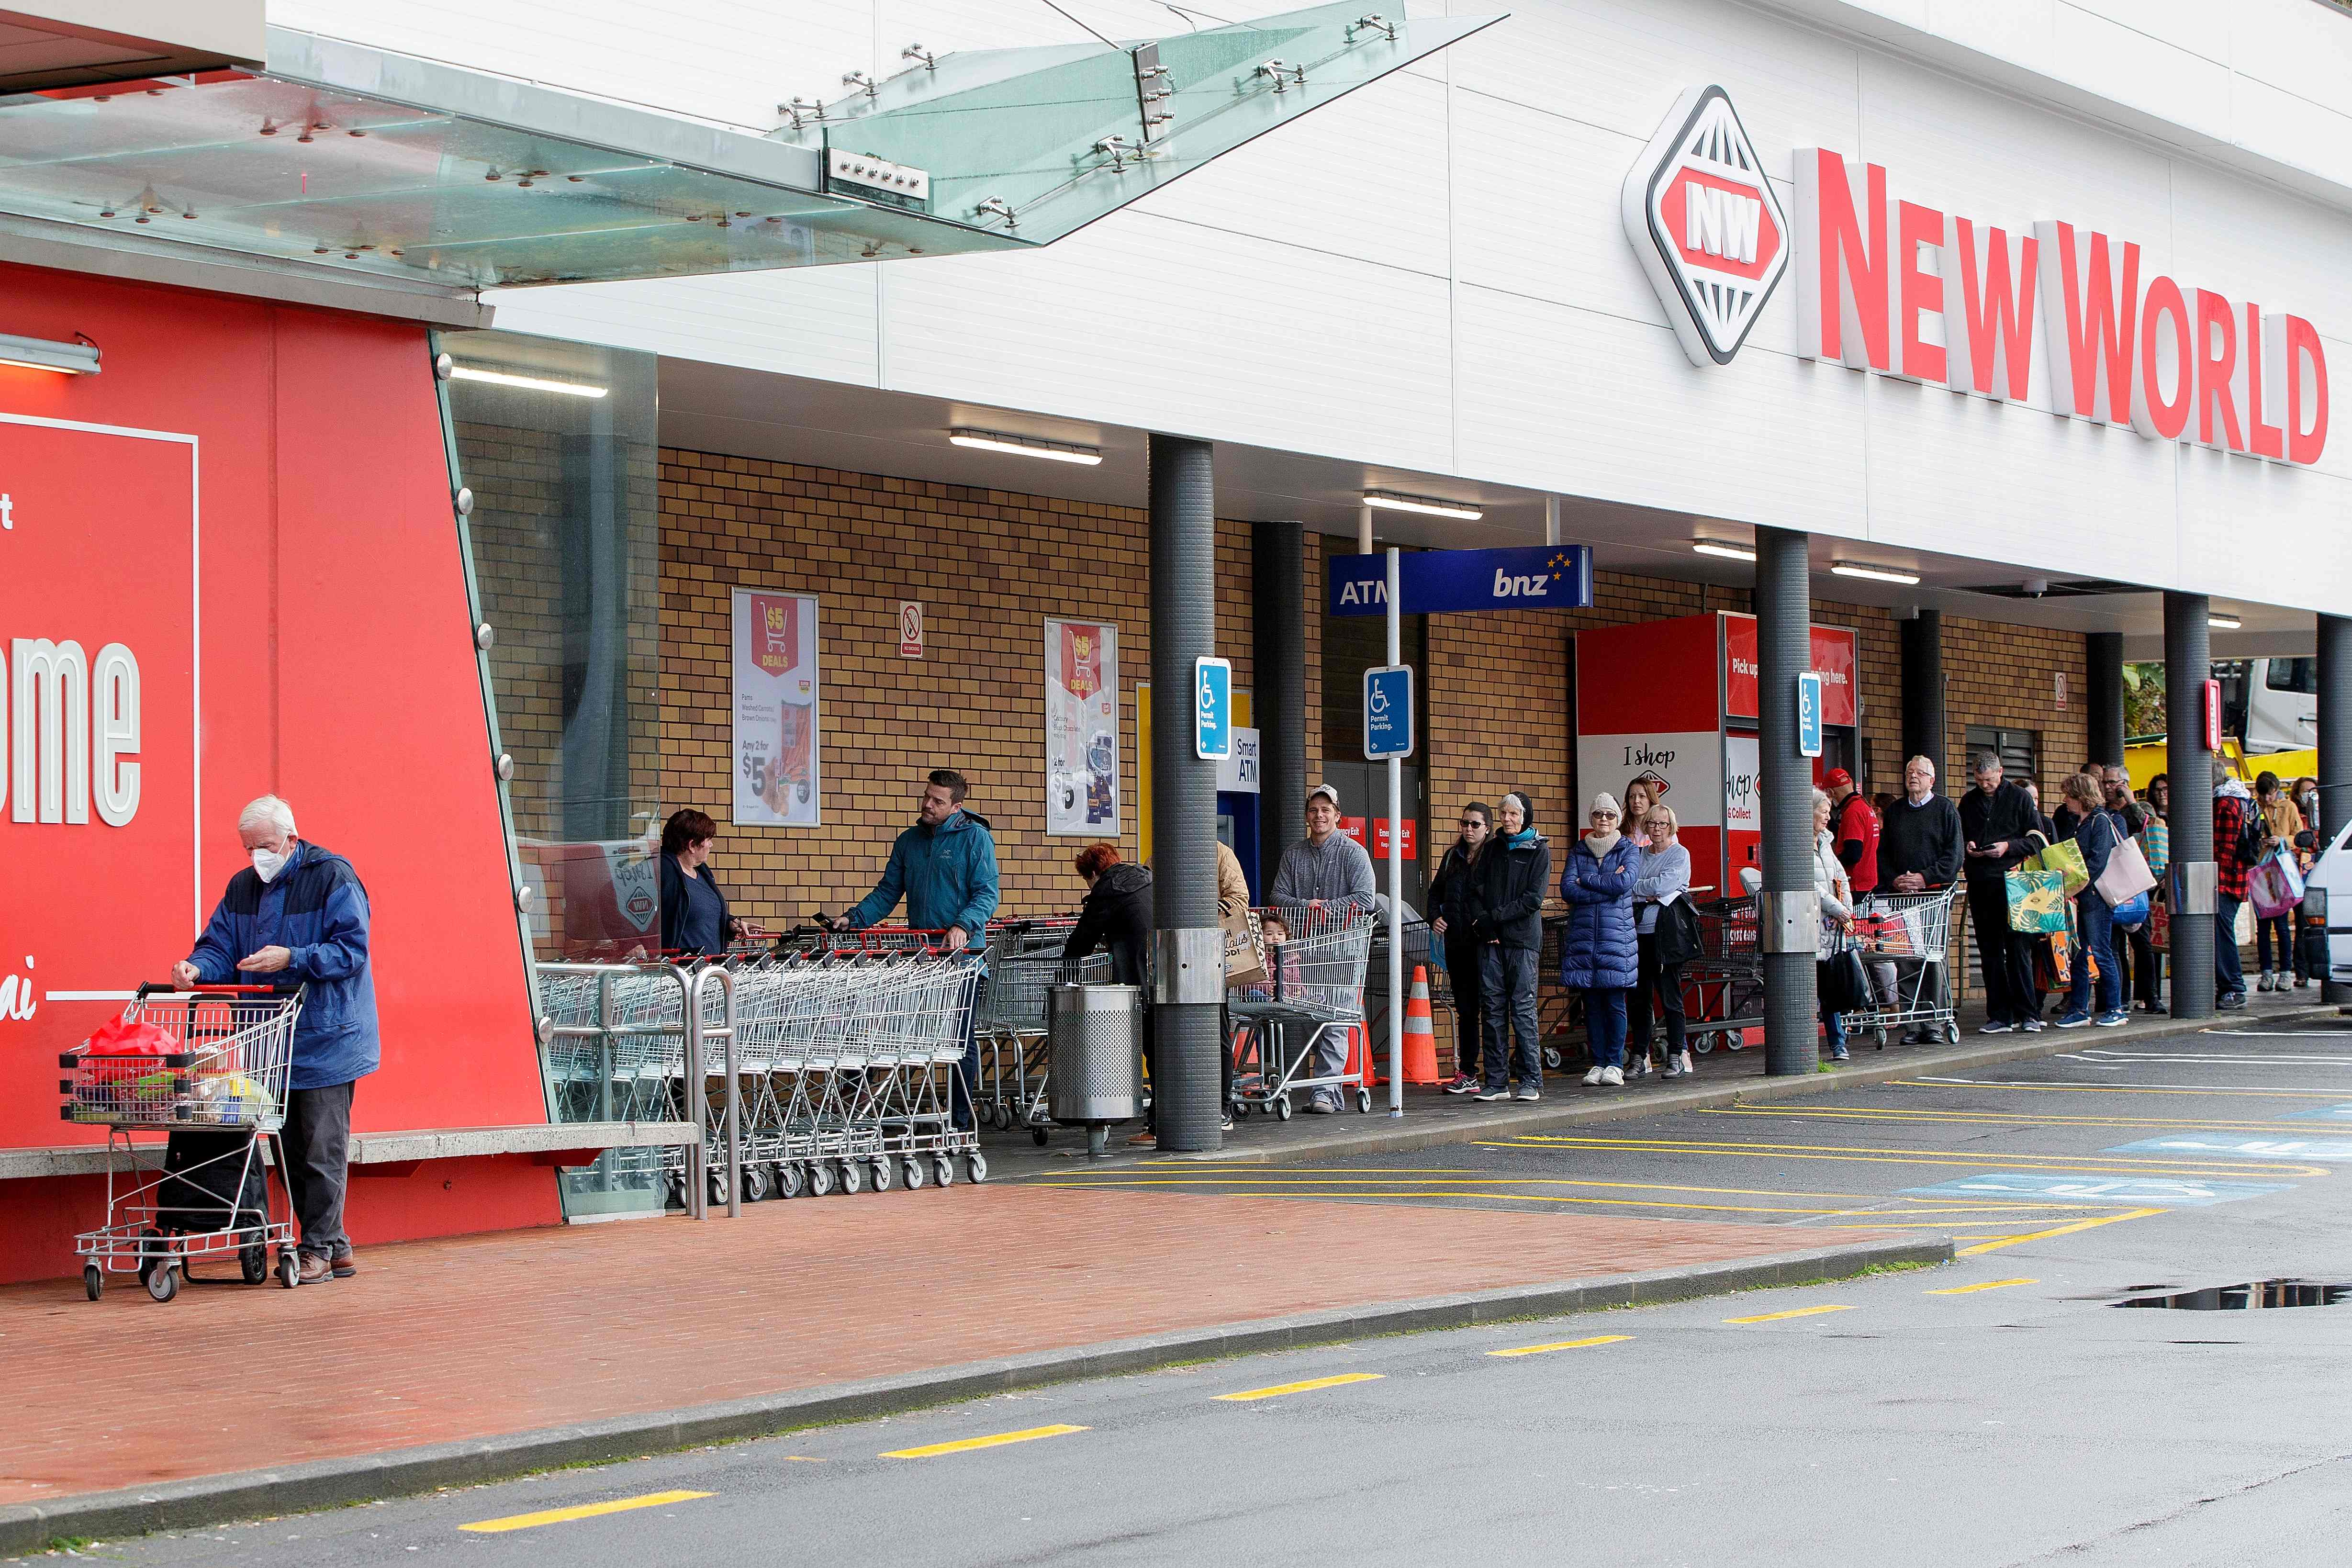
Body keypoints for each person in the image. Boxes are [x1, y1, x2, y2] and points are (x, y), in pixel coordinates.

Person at [173, 795, 377, 1286]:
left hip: (327, 1038)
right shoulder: (244, 888)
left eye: (264, 846)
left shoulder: (332, 877)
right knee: (287, 1151)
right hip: (272, 1040)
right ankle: (336, 1245)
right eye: (248, 849)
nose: (256, 858)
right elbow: (222, 945)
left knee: (319, 1150)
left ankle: (320, 1250)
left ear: (291, 838)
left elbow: (351, 950)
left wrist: (292, 956)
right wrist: (197, 967)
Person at [845, 768, 1001, 1124]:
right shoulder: (909, 841)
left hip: (963, 959)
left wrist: (963, 925)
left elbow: (987, 894)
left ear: (956, 806)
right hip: (923, 959)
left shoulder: (975, 839)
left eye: (938, 801)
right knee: (896, 1030)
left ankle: (961, 1120)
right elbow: (888, 892)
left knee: (960, 1037)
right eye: (927, 796)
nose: (928, 804)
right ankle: (877, 1112)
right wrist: (853, 919)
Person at [1269, 783, 1377, 1110]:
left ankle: (1324, 1093)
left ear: (1338, 815)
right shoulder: (1293, 855)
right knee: (1305, 1018)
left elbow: (1365, 898)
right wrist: (1306, 904)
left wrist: (1325, 908)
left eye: (1326, 810)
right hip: (1303, 952)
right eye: (1314, 810)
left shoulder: (1354, 853)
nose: (1319, 815)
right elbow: (1278, 896)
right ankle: (1320, 1087)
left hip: (1343, 952)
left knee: (1335, 1019)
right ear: (1307, 816)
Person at [1064, 843, 1158, 1144]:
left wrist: (1066, 973)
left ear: (1093, 873)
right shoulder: (1146, 878)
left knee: (1152, 1049)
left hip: (1139, 979)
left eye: (1087, 880)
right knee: (1163, 1047)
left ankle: (1159, 1125)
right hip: (1166, 970)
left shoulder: (1107, 889)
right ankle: (1164, 1121)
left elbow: (1083, 940)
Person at [1878, 755, 1964, 1042]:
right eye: (1909, 772)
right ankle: (1913, 1025)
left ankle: (1934, 1023)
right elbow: (1884, 854)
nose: (1913, 777)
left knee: (1933, 959)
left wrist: (1925, 878)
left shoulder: (1945, 809)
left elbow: (1954, 856)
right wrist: (1895, 880)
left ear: (1932, 779)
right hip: (1902, 898)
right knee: (1906, 959)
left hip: (1934, 895)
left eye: (1920, 773)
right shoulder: (1896, 812)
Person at [1471, 792, 1550, 1102]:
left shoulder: (1538, 851)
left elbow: (1533, 899)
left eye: (1514, 814)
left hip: (1522, 941)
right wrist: (1484, 922)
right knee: (1491, 1009)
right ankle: (1496, 1082)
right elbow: (1475, 890)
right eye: (1503, 814)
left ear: (1525, 816)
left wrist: (1496, 918)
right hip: (1491, 941)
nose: (1507, 819)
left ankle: (1530, 1080)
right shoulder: (1491, 850)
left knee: (1522, 1010)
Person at [1559, 793, 1640, 1089]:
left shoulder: (1628, 849)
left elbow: (1623, 884)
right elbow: (1567, 889)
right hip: (1584, 939)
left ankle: (1615, 1064)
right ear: (1591, 819)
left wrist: (1587, 881)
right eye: (1598, 815)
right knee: (1591, 1004)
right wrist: (1603, 886)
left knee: (1615, 1002)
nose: (1603, 820)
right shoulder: (1579, 851)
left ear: (1617, 819)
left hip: (1616, 938)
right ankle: (1598, 1063)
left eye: (1609, 815)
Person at [1959, 752, 2041, 1034]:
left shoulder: (2020, 798)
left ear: (2001, 772)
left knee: (2019, 949)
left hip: (2015, 882)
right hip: (1982, 882)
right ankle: (1999, 1015)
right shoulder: (1968, 802)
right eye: (1980, 780)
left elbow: (2036, 840)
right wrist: (1968, 847)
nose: (1985, 785)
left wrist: (2008, 847)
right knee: (1989, 951)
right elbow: (1961, 837)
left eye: (1990, 780)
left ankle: (2028, 1013)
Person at [2053, 773, 2128, 1029]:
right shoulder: (2083, 822)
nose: (2065, 801)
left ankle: (2116, 1008)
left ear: (2081, 797)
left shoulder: (2100, 821)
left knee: (2101, 951)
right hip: (2084, 895)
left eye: (2069, 796)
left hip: (2095, 897)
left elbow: (2098, 860)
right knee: (2079, 953)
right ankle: (2079, 1008)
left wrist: (2076, 887)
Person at [1429, 803, 1492, 1094]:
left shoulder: (1492, 857)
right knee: (1466, 1010)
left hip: (1484, 944)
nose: (1468, 829)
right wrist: (1435, 917)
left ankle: (1495, 1072)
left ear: (1487, 828)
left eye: (1475, 824)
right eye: (1465, 823)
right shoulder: (1452, 857)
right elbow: (1435, 892)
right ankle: (1468, 1072)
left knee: (1491, 1007)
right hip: (1456, 943)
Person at [1627, 803, 1693, 1080]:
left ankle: (1677, 1055)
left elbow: (1663, 886)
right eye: (1652, 824)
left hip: (1667, 936)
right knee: (1640, 999)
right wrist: (1647, 890)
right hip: (1638, 933)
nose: (1656, 829)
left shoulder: (1680, 854)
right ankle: (1640, 1056)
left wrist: (1645, 888)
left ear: (1672, 827)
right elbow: (1628, 886)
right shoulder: (1638, 854)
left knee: (1670, 997)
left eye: (1662, 824)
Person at [2101, 765, 2161, 1013]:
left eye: (2113, 782)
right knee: (2114, 946)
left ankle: (2152, 997)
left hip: (2137, 884)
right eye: (2105, 782)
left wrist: (2129, 800)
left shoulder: (2139, 809)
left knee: (2142, 943)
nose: (2107, 787)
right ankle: (2121, 998)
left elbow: (2143, 824)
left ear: (2124, 784)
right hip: (2111, 884)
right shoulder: (2102, 812)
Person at [657, 808, 743, 957]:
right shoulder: (663, 870)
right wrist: (631, 942)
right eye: (708, 840)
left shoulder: (703, 872)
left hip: (709, 972)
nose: (711, 845)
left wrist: (730, 923)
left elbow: (701, 918)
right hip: (679, 972)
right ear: (692, 845)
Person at [2251, 770, 2307, 992]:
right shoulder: (2255, 809)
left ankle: (2285, 972)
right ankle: (2266, 973)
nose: (2268, 799)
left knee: (2282, 926)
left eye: (2271, 794)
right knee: (2263, 926)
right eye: (2263, 795)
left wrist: (2282, 840)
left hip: (2281, 870)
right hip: (2261, 870)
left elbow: (2299, 836)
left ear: (2277, 790)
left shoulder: (2289, 808)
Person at [1813, 788, 1856, 1061]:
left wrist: (1847, 909)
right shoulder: (1796, 843)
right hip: (1810, 925)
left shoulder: (1826, 843)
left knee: (1829, 987)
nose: (1829, 817)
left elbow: (1841, 878)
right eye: (1824, 811)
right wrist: (1838, 908)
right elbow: (1810, 884)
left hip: (1830, 927)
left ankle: (1838, 1043)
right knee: (1814, 987)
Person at [2213, 762, 2255, 1009]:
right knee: (2221, 932)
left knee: (2221, 932)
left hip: (2227, 881)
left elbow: (2225, 850)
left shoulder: (2226, 804)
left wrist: (2215, 881)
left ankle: (2233, 988)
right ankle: (2228, 986)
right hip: (2234, 880)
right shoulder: (2238, 800)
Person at [1825, 768, 1879, 898]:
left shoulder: (1853, 811)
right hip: (1867, 882)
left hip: (1855, 883)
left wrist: (1830, 866)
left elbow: (1853, 853)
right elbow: (1847, 838)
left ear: (1831, 792)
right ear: (1852, 783)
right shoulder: (1865, 807)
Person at [1621, 778, 1658, 849]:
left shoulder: (1664, 829)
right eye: (1632, 796)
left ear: (1651, 800)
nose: (1636, 801)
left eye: (1642, 796)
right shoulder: (1620, 831)